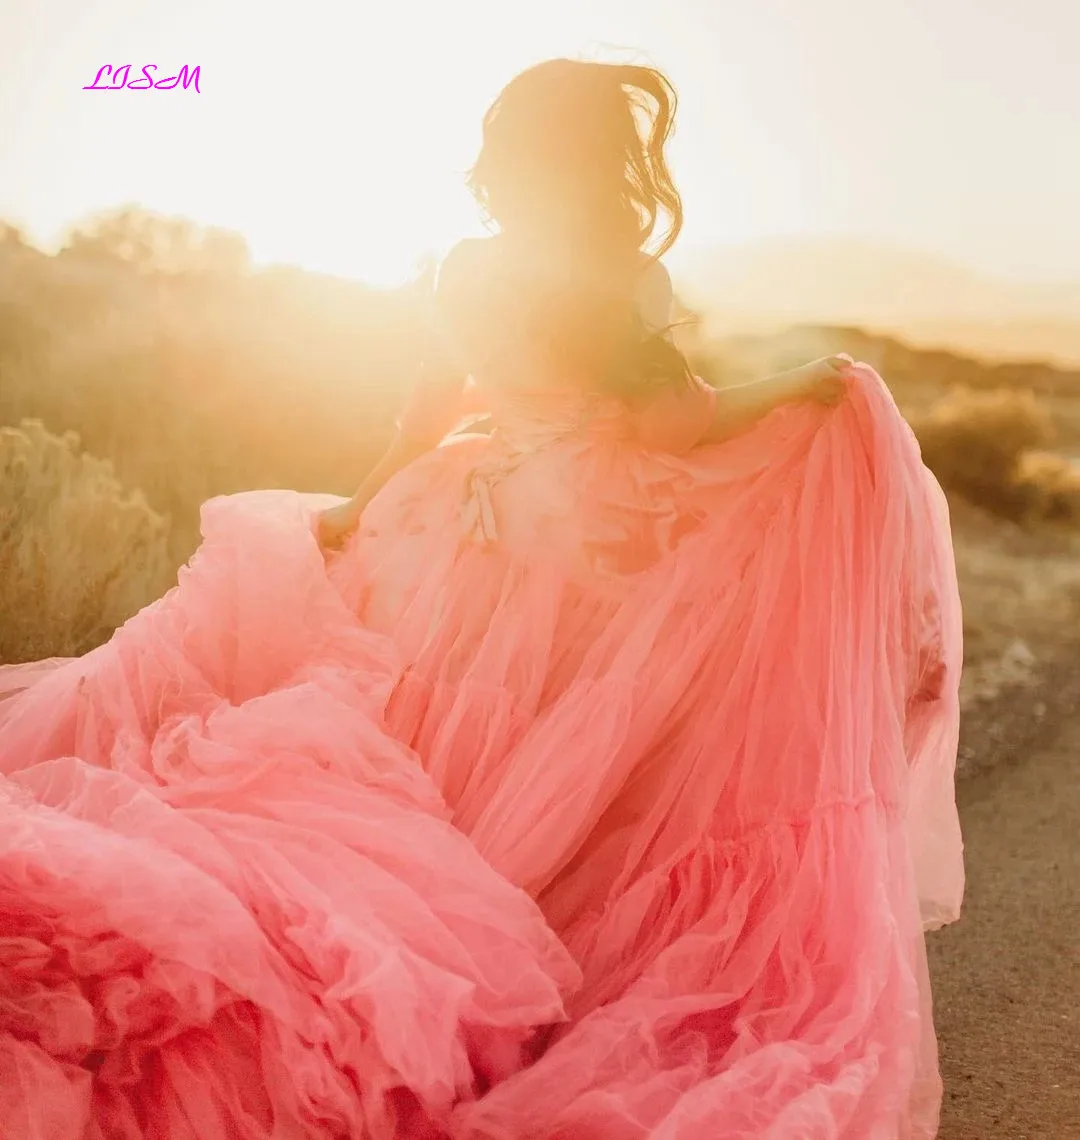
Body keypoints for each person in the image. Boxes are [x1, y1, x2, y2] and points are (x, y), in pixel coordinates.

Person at [0, 58, 963, 1140]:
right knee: (570, 744)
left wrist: (356, 513)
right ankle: (513, 943)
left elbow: (425, 410)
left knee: (437, 737)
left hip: (451, 513)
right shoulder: (619, 275)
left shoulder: (466, 266)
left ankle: (449, 931)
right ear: (605, 159)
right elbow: (675, 431)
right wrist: (811, 384)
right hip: (582, 535)